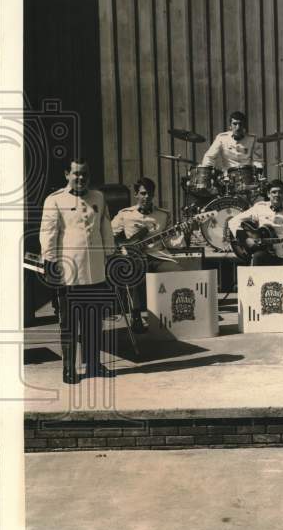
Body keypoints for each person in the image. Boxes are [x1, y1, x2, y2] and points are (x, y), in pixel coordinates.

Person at [39, 158, 116, 383]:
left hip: (95, 272)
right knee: (69, 325)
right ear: (66, 174)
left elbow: (106, 229)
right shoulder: (55, 201)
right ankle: (69, 368)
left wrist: (110, 256)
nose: (80, 178)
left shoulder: (98, 198)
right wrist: (51, 264)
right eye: (76, 174)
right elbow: (48, 234)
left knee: (93, 323)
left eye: (85, 174)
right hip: (69, 273)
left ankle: (93, 364)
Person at [111, 177, 182, 333]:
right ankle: (136, 315)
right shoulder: (125, 215)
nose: (147, 197)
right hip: (134, 257)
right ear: (136, 194)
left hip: (158, 255)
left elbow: (171, 242)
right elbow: (109, 235)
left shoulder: (163, 215)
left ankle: (171, 313)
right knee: (135, 270)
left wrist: (185, 235)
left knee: (175, 268)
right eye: (143, 193)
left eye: (150, 193)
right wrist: (122, 249)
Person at [227, 179, 283, 266]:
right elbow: (233, 221)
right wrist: (245, 239)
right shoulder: (260, 208)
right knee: (258, 257)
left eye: (280, 192)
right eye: (274, 192)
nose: (277, 195)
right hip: (264, 254)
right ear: (268, 194)